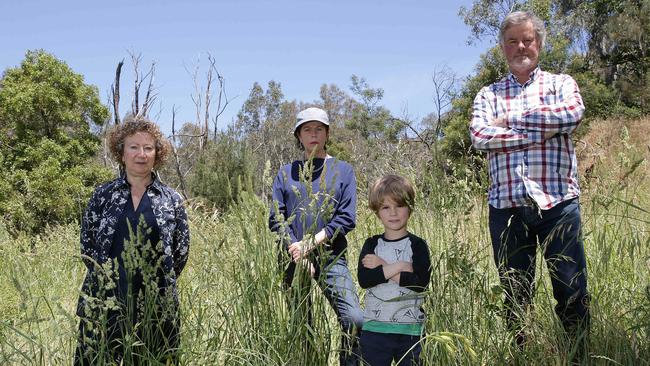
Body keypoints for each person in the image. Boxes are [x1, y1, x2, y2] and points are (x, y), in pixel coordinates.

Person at [469, 10, 590, 357]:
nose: (521, 46)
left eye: (527, 39)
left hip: (559, 205)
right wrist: (541, 129)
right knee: (515, 296)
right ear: (503, 48)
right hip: (506, 209)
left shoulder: (560, 84)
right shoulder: (487, 95)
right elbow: (480, 135)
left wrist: (512, 120)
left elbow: (572, 115)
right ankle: (523, 358)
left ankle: (577, 357)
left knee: (571, 290)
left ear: (538, 43)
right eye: (512, 41)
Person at [74, 116, 190, 365]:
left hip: (156, 305)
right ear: (121, 152)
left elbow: (180, 253)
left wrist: (153, 283)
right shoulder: (103, 196)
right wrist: (110, 282)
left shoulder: (171, 199)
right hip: (106, 302)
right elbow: (88, 245)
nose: (141, 154)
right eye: (134, 147)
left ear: (157, 154)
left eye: (148, 148)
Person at [269, 107, 364, 366]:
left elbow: (346, 218)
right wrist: (297, 251)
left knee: (354, 319)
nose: (313, 134)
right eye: (307, 129)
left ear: (327, 134)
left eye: (319, 129)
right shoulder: (285, 172)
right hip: (293, 259)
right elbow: (276, 218)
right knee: (303, 326)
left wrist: (311, 243)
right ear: (298, 136)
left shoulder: (343, 170)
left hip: (331, 257)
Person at [358, 174, 431, 366]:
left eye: (399, 205)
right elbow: (366, 280)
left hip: (411, 332)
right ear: (377, 212)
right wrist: (400, 266)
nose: (393, 213)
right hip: (375, 330)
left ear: (410, 208)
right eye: (385, 207)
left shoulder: (417, 245)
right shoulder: (372, 244)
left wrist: (382, 268)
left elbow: (420, 284)